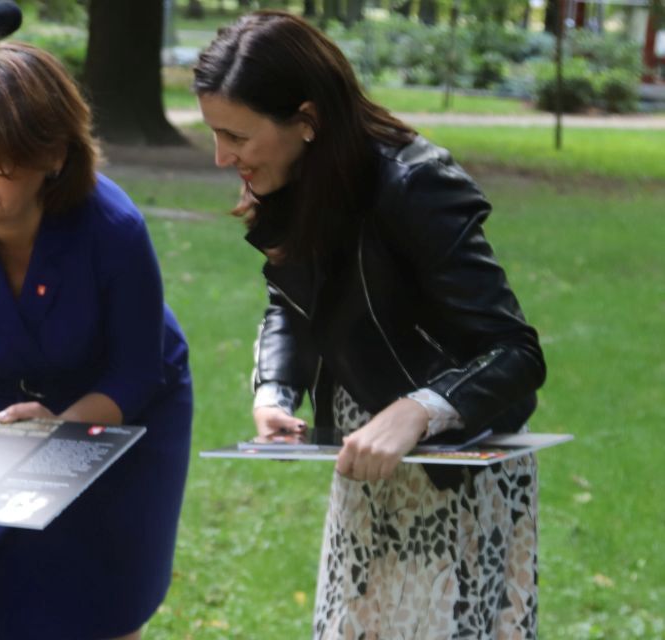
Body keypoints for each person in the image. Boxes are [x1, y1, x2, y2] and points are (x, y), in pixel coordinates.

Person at [193, 11, 546, 639]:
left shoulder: (418, 183)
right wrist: (274, 392)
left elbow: (516, 353)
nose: (223, 158)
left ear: (306, 121)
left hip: (454, 477)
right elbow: (290, 302)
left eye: (237, 137)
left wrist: (417, 410)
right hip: (365, 471)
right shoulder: (292, 181)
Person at [0, 42, 193, 640]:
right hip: (0, 416)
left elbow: (135, 372)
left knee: (101, 614)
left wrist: (61, 427)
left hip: (124, 414)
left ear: (52, 155)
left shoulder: (114, 230)